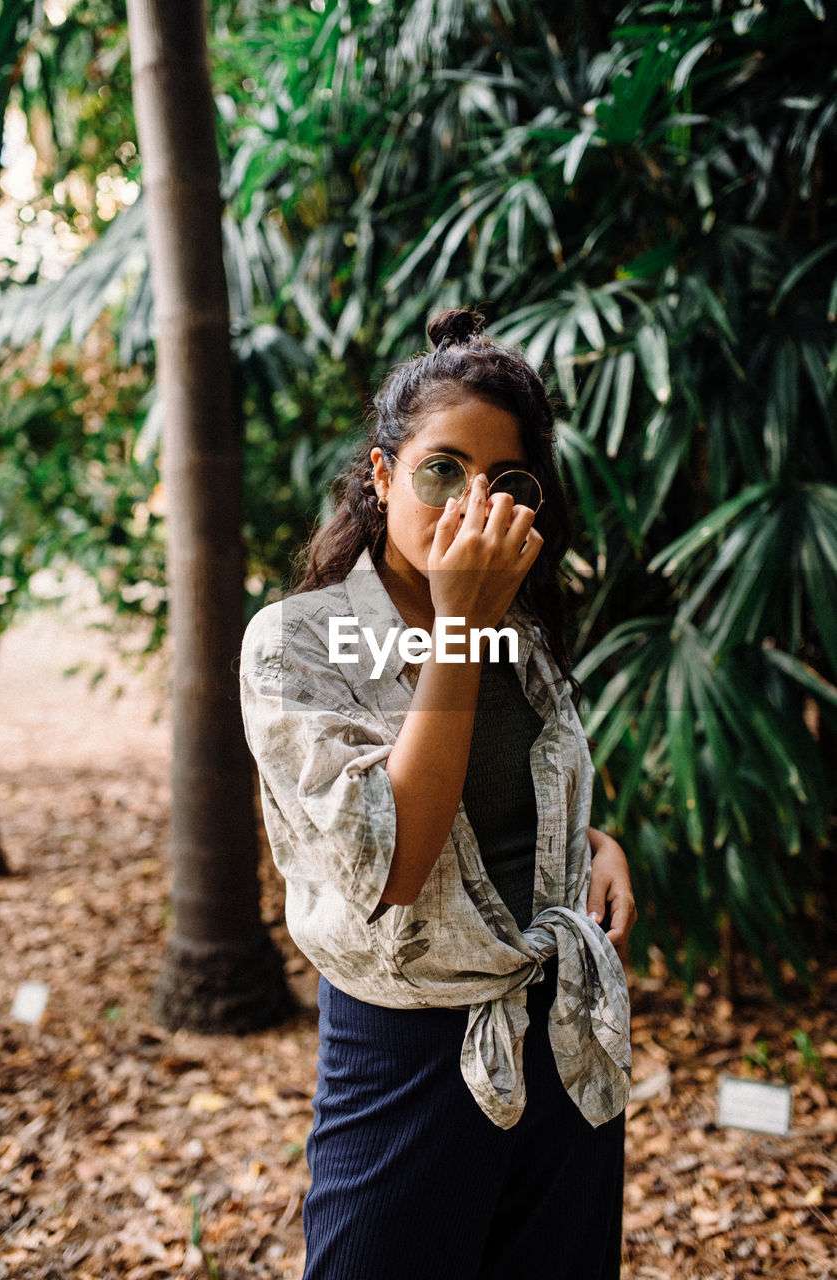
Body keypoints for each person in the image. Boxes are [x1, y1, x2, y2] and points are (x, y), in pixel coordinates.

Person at [240, 307, 637, 1280]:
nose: (469, 504)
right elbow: (399, 862)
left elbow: (519, 781)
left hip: (560, 1030)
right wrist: (456, 625)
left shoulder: (516, 630)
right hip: (405, 1051)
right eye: (439, 469)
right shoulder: (298, 642)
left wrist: (592, 841)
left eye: (503, 482)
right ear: (380, 478)